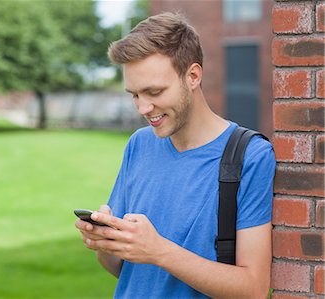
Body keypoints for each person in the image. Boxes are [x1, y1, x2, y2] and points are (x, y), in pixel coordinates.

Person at [75, 11, 275, 299]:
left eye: (154, 91)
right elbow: (121, 268)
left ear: (193, 76)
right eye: (134, 95)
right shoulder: (139, 144)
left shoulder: (250, 156)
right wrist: (107, 243)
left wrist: (158, 251)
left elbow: (253, 289)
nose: (143, 108)